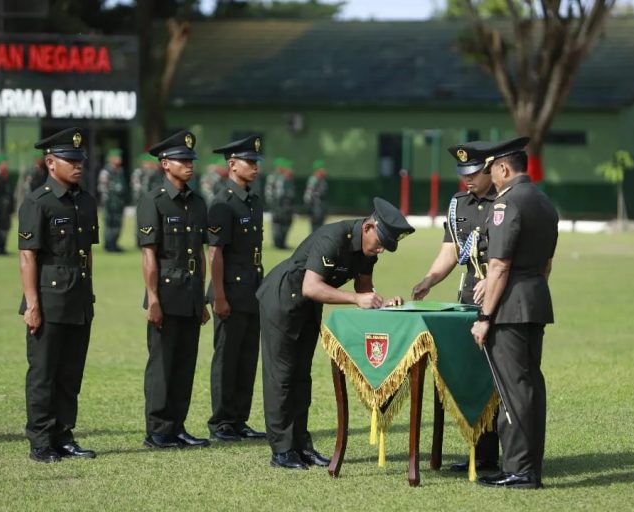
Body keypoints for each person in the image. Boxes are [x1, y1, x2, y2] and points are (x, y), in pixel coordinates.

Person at [256, 197, 415, 470]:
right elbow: (311, 286)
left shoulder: (368, 252)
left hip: (308, 308)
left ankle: (302, 447)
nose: (380, 250)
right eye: (380, 242)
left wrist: (383, 301)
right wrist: (355, 299)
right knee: (282, 377)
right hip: (282, 300)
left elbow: (365, 289)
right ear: (368, 228)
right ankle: (282, 451)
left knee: (301, 378)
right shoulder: (333, 238)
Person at [469, 137, 558, 490]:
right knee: (530, 386)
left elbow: (500, 265)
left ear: (504, 169)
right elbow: (547, 263)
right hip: (535, 298)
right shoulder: (543, 201)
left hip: (509, 307)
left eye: (491, 170)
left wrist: (485, 317)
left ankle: (519, 471)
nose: (490, 176)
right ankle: (527, 466)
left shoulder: (507, 204)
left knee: (512, 390)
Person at [410, 140, 501, 473]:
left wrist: (492, 280)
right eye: (464, 173)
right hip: (467, 300)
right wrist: (429, 279)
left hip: (499, 296)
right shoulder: (458, 203)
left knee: (497, 376)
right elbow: (451, 250)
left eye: (474, 172)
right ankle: (481, 452)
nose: (468, 179)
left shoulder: (503, 201)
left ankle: (506, 455)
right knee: (473, 376)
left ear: (491, 169)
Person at [17, 127, 99, 463]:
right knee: (43, 373)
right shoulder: (38, 202)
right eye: (70, 159)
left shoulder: (86, 200)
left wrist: (90, 293)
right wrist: (32, 304)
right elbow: (27, 256)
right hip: (49, 300)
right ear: (51, 163)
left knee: (70, 373)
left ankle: (64, 436)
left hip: (78, 298)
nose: (78, 165)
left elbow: (87, 253)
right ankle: (40, 441)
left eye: (80, 159)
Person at [137, 130, 211, 449]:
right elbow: (149, 254)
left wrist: (204, 298)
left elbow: (201, 253)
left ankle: (177, 426)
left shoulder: (197, 203)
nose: (189, 165)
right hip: (166, 295)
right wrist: (153, 298)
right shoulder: (153, 200)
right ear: (165, 164)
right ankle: (157, 430)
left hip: (191, 294)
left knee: (184, 364)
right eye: (182, 160)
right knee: (162, 365)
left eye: (191, 159)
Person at [206, 134, 267, 442]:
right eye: (250, 162)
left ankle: (239, 419)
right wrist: (218, 295)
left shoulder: (252, 202)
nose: (255, 167)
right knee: (227, 358)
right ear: (232, 165)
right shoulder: (223, 204)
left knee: (246, 357)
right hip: (229, 289)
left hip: (252, 288)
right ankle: (222, 421)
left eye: (257, 162)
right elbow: (215, 253)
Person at [98, 148, 127, 252]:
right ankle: (109, 245)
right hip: (110, 203)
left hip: (119, 203)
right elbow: (103, 188)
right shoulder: (106, 172)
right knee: (109, 223)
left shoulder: (120, 171)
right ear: (111, 159)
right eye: (117, 157)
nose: (119, 159)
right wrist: (106, 202)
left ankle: (115, 243)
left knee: (118, 224)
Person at [303, 159, 329, 232]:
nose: (324, 171)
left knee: (320, 228)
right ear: (318, 170)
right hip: (315, 208)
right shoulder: (313, 180)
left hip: (321, 208)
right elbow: (308, 196)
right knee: (314, 229)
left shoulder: (323, 181)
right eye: (322, 169)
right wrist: (310, 209)